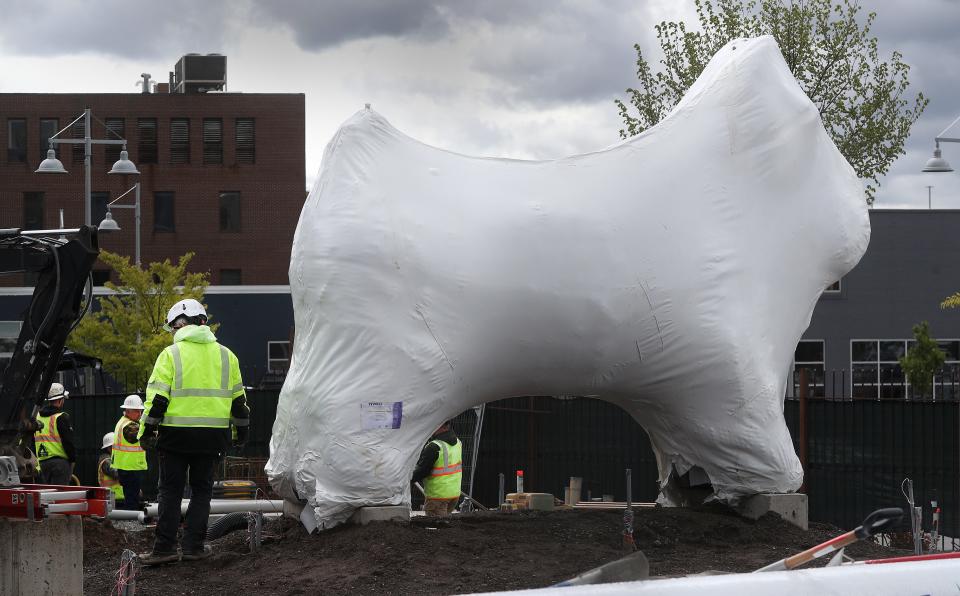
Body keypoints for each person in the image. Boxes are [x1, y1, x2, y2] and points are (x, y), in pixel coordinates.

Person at [139, 298, 250, 566]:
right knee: (202, 492)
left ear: (181, 323)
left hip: (175, 437)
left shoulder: (171, 355)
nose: (173, 333)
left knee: (170, 492)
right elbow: (240, 404)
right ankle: (194, 547)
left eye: (173, 327)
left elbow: (157, 401)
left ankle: (164, 549)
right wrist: (240, 435)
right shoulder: (227, 356)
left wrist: (147, 432)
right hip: (213, 438)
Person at [411, 419, 462, 517]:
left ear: (441, 425)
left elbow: (422, 471)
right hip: (454, 494)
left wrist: (407, 479)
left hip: (437, 497)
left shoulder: (434, 446)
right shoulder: (458, 442)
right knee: (444, 525)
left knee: (436, 528)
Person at [33, 383, 76, 485]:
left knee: (44, 497)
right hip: (60, 464)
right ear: (60, 400)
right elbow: (68, 443)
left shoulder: (37, 416)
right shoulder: (61, 417)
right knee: (59, 497)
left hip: (41, 464)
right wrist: (72, 460)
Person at [112, 394, 147, 510]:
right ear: (128, 411)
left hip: (126, 468)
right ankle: (131, 524)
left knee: (130, 497)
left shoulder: (123, 422)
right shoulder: (129, 426)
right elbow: (148, 439)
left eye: (141, 411)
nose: (140, 414)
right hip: (131, 468)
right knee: (132, 499)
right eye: (137, 411)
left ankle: (129, 522)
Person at [97, 432, 124, 504]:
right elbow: (117, 474)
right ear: (109, 448)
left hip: (119, 498)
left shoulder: (114, 460)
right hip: (113, 500)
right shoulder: (106, 462)